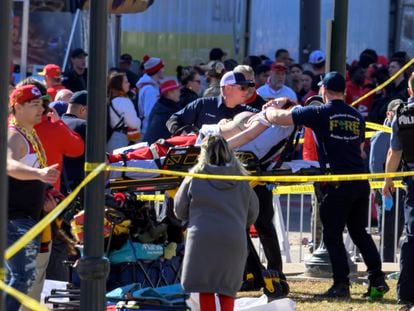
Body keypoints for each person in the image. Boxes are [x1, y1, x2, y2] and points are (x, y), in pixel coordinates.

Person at [256, 71, 388, 299]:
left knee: (332, 235)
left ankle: (341, 284)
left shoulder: (319, 112)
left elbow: (280, 119)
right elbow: (359, 149)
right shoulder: (356, 116)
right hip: (359, 180)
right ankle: (377, 281)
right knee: (360, 233)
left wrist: (269, 109)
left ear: (323, 91)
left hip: (337, 183)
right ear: (344, 92)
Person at [174, 135, 259, 311]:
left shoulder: (195, 177)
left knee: (205, 286)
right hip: (233, 237)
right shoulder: (241, 180)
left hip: (202, 237)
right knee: (228, 287)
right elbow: (252, 213)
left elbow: (179, 209)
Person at [6, 84, 60, 311]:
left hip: (29, 217)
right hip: (14, 218)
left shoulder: (29, 133)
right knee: (21, 277)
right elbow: (8, 164)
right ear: (18, 107)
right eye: (34, 104)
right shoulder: (13, 134)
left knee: (22, 277)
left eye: (42, 104)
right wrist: (39, 174)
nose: (41, 109)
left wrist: (46, 194)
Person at [383, 73, 414, 310]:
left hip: (413, 181)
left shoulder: (402, 115)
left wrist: (388, 180)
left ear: (410, 90)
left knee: (412, 239)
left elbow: (395, 152)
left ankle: (406, 296)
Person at [166, 70, 256, 135]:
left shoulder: (246, 111)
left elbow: (263, 115)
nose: (247, 91)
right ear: (228, 88)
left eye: (248, 88)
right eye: (243, 87)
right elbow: (173, 119)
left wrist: (268, 108)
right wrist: (182, 132)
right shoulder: (203, 104)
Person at [61, 91, 88, 193]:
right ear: (82, 109)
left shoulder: (55, 123)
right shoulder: (83, 125)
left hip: (58, 186)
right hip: (78, 188)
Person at [107, 72, 141, 152]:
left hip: (113, 138)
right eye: (126, 82)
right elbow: (133, 123)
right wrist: (139, 121)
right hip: (122, 140)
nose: (129, 84)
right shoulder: (123, 101)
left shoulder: (112, 99)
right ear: (119, 85)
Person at [144, 79, 181, 144]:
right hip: (158, 147)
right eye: (177, 90)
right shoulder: (169, 110)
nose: (179, 93)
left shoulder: (160, 106)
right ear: (169, 93)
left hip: (152, 145)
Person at [136, 54, 165, 136]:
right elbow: (150, 113)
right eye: (162, 68)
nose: (164, 70)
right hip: (151, 131)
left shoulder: (151, 87)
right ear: (157, 70)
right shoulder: (150, 90)